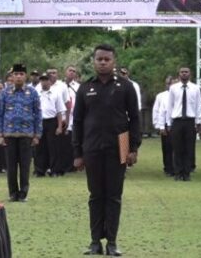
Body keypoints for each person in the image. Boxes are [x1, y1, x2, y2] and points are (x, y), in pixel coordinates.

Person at [72, 44, 140, 256]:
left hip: (119, 145)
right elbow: (78, 121)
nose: (103, 62)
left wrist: (133, 148)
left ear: (114, 62)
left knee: (114, 195)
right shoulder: (85, 88)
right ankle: (94, 242)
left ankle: (111, 242)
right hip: (91, 147)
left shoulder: (126, 86)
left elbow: (135, 119)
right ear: (94, 61)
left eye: (107, 59)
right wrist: (77, 154)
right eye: (99, 59)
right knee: (95, 195)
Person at [0, 63, 41, 202]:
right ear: (12, 76)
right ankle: (12, 193)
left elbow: (38, 113)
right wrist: (0, 134)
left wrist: (37, 134)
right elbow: (0, 114)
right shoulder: (5, 93)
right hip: (9, 134)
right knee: (11, 166)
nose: (19, 77)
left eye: (21, 74)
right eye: (16, 74)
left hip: (26, 134)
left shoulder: (32, 92)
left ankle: (23, 193)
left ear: (25, 76)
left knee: (25, 166)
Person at [166, 66, 201, 181]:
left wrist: (198, 121)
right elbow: (170, 105)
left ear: (190, 74)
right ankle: (177, 172)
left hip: (190, 121)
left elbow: (198, 105)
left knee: (189, 148)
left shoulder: (195, 88)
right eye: (182, 72)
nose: (184, 74)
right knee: (177, 148)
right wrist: (168, 123)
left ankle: (186, 173)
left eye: (186, 72)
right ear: (179, 74)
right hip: (177, 120)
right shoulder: (173, 88)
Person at [37, 72, 66, 177]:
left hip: (52, 121)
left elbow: (59, 111)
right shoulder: (36, 93)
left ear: (50, 81)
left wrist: (59, 126)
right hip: (40, 121)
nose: (44, 82)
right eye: (42, 80)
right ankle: (40, 170)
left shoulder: (56, 93)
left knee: (53, 147)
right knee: (40, 147)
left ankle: (54, 169)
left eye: (46, 80)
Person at [153, 76, 174, 176]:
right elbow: (157, 110)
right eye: (168, 83)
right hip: (165, 123)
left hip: (177, 123)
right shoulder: (161, 96)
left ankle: (177, 167)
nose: (169, 85)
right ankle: (168, 168)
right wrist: (159, 125)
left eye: (171, 83)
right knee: (167, 147)